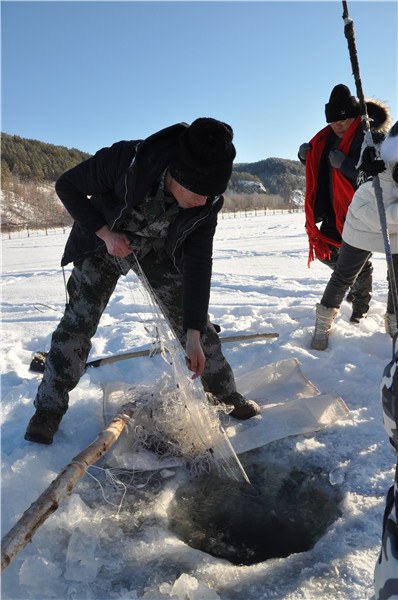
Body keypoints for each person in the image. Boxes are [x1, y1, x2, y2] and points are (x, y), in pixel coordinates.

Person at [25, 118, 260, 445]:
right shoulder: (127, 160)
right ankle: (48, 408)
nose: (205, 202)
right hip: (105, 242)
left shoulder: (206, 202)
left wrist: (191, 332)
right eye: (199, 193)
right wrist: (105, 234)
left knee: (195, 324)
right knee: (78, 323)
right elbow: (67, 185)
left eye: (212, 195)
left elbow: (198, 262)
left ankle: (224, 393)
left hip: (157, 251)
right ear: (177, 175)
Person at [298, 84, 391, 326]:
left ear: (356, 117)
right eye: (333, 121)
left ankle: (360, 307)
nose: (338, 126)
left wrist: (346, 165)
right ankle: (359, 280)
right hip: (333, 210)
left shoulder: (373, 138)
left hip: (363, 211)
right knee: (328, 252)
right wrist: (305, 157)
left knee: (352, 264)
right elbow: (319, 168)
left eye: (345, 120)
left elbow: (378, 176)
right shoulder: (325, 139)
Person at [311, 121, 398, 350]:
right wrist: (364, 167)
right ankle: (322, 325)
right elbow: (359, 177)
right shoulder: (378, 144)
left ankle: (395, 327)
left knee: (397, 280)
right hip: (364, 218)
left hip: (395, 224)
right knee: (344, 275)